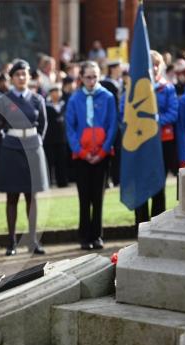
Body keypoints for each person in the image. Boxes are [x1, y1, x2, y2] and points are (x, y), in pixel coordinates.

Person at [0, 59, 49, 256]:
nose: (21, 78)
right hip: (11, 150)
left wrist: (36, 142)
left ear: (29, 77)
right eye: (17, 75)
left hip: (32, 149)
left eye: (24, 74)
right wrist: (7, 146)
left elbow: (43, 125)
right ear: (12, 78)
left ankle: (33, 241)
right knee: (12, 197)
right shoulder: (3, 99)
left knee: (32, 198)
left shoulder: (37, 99)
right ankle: (12, 243)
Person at [66, 61, 117, 250]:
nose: (92, 80)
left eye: (95, 76)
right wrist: (81, 151)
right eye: (88, 77)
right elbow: (70, 128)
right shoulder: (74, 99)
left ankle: (97, 236)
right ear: (81, 78)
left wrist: (103, 150)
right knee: (84, 197)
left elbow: (112, 126)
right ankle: (84, 236)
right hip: (82, 156)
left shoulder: (108, 97)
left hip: (102, 155)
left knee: (98, 197)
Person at [124, 51, 179, 226]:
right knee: (140, 186)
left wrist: (153, 123)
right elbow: (124, 111)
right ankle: (140, 227)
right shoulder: (133, 87)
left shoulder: (168, 88)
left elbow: (173, 112)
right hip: (140, 142)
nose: (154, 67)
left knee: (158, 186)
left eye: (157, 63)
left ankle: (157, 227)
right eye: (151, 63)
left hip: (162, 143)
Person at [44, 84, 68, 188]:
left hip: (62, 138)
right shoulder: (46, 106)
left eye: (58, 91)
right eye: (54, 91)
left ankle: (62, 182)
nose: (57, 93)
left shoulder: (64, 104)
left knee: (62, 161)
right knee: (49, 161)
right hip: (49, 139)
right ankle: (48, 182)